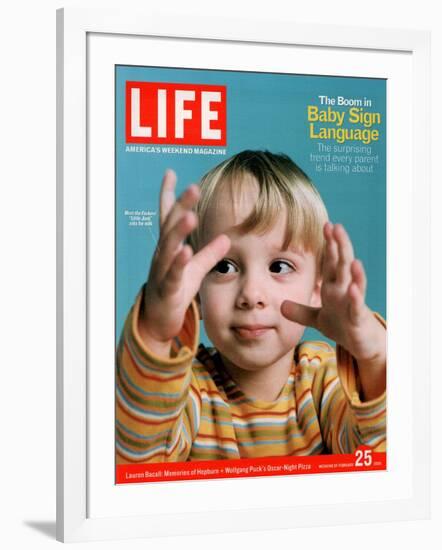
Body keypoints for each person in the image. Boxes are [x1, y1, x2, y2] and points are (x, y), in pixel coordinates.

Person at [116, 150, 386, 463]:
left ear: (317, 288)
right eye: (224, 267)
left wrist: (374, 355)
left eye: (280, 266)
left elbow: (373, 457)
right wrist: (155, 331)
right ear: (197, 292)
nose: (251, 294)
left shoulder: (322, 382)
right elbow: (139, 461)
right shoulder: (188, 392)